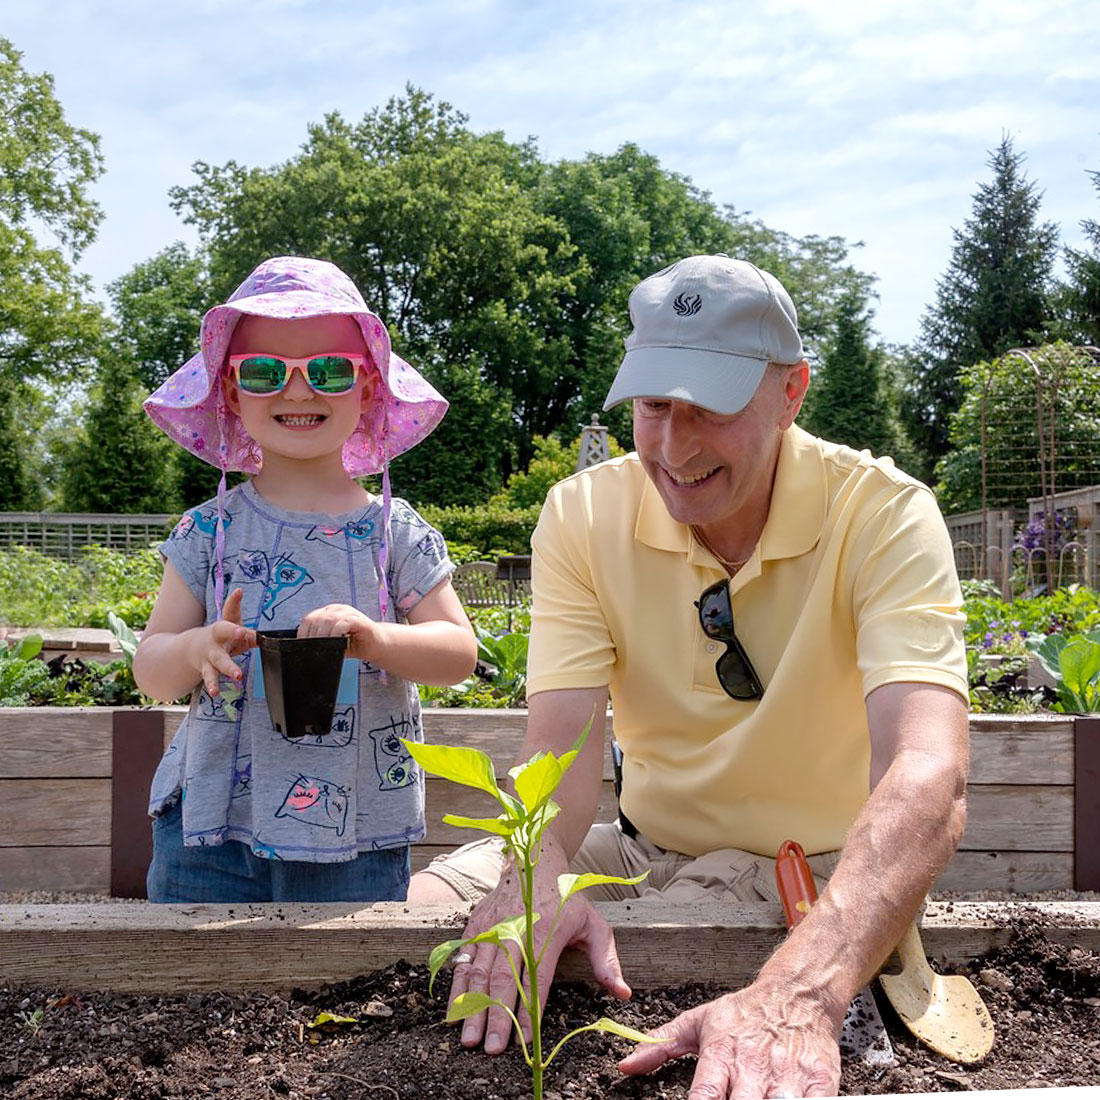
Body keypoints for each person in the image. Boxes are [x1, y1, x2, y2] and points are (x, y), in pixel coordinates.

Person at [407, 254, 969, 1097]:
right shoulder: (584, 513)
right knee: (426, 918)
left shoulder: (881, 513)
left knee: (628, 972)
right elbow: (556, 756)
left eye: (711, 406)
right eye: (655, 405)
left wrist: (802, 990)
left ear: (792, 393)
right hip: (637, 848)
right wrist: (538, 879)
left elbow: (928, 773)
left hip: (805, 874)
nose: (673, 447)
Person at [134, 256, 477, 904]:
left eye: (329, 370)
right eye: (264, 372)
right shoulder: (209, 532)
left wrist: (374, 638)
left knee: (348, 1003)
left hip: (359, 835)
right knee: (196, 996)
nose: (298, 392)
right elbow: (152, 671)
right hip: (210, 835)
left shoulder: (392, 531)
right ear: (231, 394)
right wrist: (195, 648)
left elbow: (459, 653)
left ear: (368, 388)